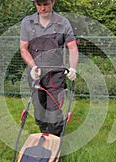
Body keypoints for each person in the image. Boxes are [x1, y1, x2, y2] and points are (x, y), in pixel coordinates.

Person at [20, 0, 78, 136]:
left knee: (54, 115)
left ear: (53, 2)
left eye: (46, 4)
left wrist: (73, 68)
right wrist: (33, 67)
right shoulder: (28, 23)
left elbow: (73, 48)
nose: (42, 8)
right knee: (39, 111)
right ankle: (45, 137)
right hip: (36, 75)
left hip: (55, 76)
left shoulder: (63, 23)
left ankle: (55, 142)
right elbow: (23, 49)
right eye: (39, 5)